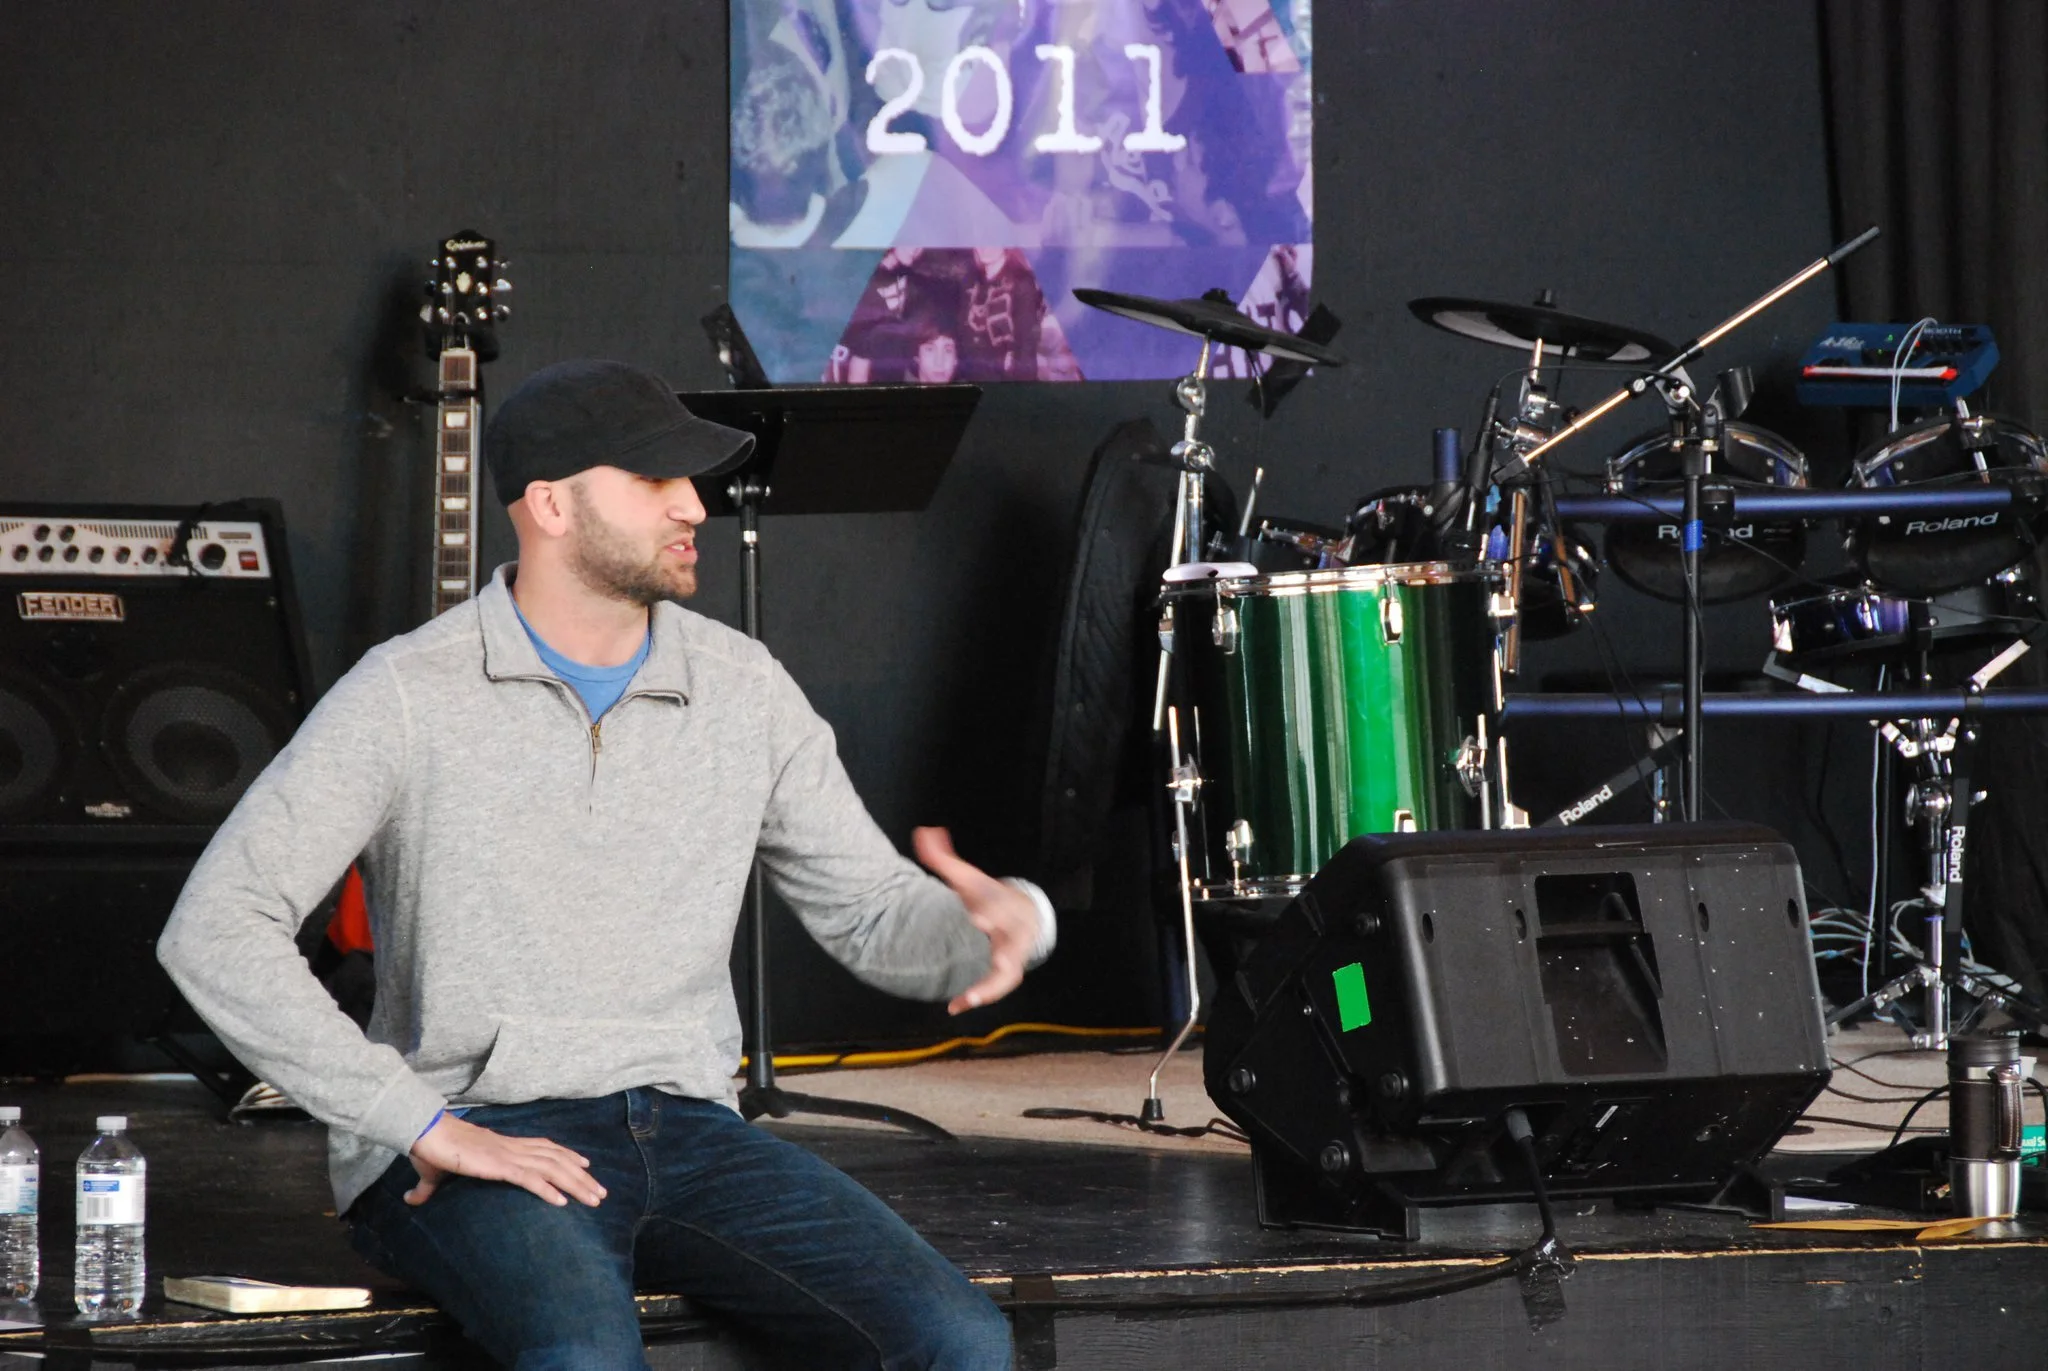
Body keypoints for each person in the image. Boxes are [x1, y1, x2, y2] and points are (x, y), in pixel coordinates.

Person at [158, 359, 1054, 1369]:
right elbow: (216, 929)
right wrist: (415, 1120)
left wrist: (991, 924)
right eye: (653, 480)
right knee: (582, 1358)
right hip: (480, 1131)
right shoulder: (408, 694)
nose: (694, 507)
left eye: (692, 480)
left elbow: (872, 915)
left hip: (689, 1127)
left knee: (959, 1341)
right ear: (548, 505)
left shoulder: (742, 688)